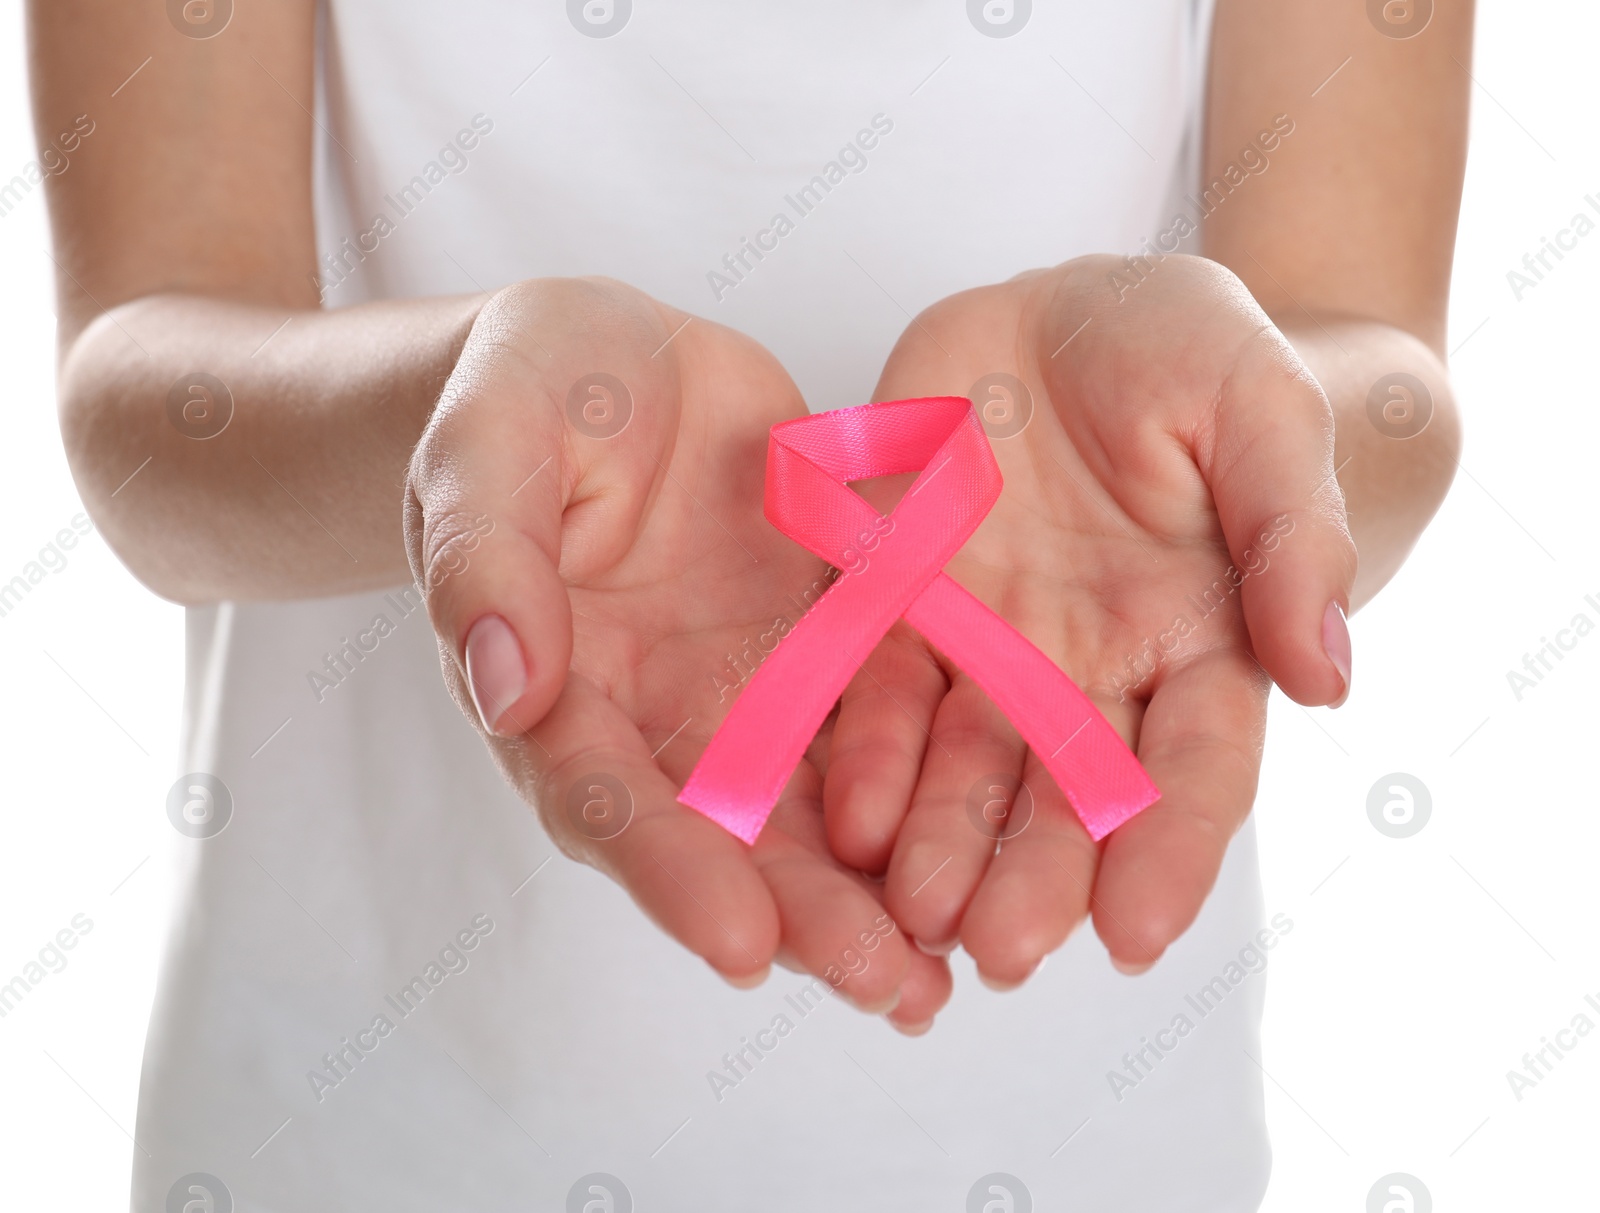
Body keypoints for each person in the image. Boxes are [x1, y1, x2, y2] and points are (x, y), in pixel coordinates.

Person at [31, 0, 1468, 1208]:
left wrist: (1262, 434)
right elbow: (148, 372)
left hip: (1084, 1123)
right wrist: (455, 410)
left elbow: (1368, 348)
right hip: (352, 1114)